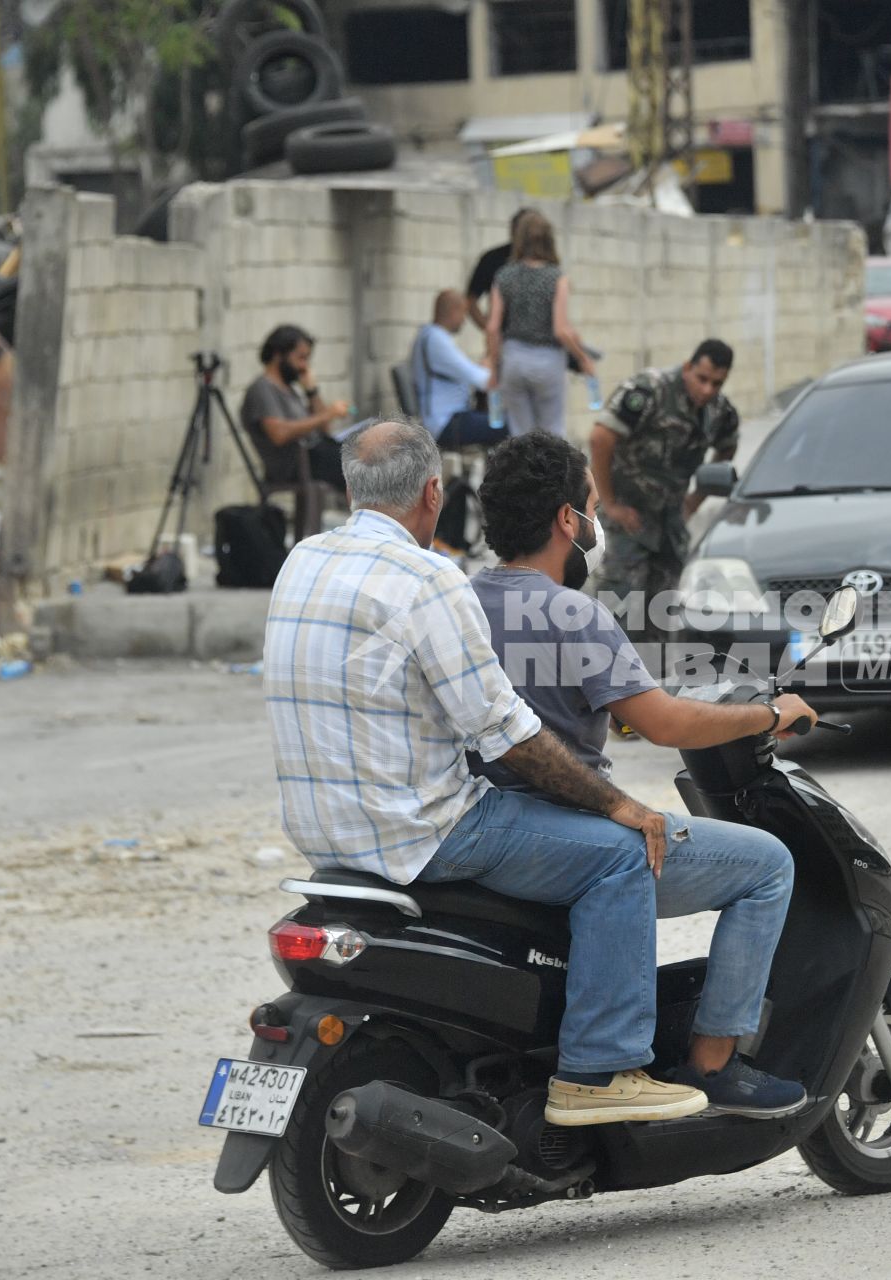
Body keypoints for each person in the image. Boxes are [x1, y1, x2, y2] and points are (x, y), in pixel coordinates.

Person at [266, 419, 785, 1126]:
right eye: (593, 505)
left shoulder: (303, 562)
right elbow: (510, 731)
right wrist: (623, 803)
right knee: (633, 855)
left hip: (324, 838)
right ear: (432, 492)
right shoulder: (431, 581)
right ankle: (609, 1071)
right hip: (425, 830)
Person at [469, 432, 816, 1116]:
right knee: (769, 865)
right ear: (568, 520)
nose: (596, 521)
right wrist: (768, 714)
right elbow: (666, 724)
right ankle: (715, 1066)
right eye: (591, 505)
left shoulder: (462, 600)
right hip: (564, 822)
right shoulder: (573, 612)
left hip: (492, 823)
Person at [591, 339, 740, 642]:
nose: (708, 390)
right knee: (618, 609)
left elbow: (728, 447)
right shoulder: (649, 391)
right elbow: (600, 438)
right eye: (702, 379)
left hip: (670, 522)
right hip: (627, 515)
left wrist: (694, 501)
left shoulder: (719, 411)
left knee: (662, 612)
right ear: (688, 367)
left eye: (717, 383)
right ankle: (607, 682)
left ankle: (652, 684)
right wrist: (609, 504)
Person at [485, 210, 595, 437]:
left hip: (514, 360)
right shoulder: (557, 278)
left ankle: (522, 473)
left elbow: (492, 327)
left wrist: (494, 366)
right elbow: (561, 330)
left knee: (520, 436)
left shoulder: (504, 275)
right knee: (552, 434)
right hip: (548, 361)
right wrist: (583, 358)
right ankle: (552, 473)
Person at [240, 324, 352, 488]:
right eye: (301, 358)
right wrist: (328, 414)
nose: (304, 366)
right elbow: (279, 433)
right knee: (361, 466)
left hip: (316, 455)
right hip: (296, 464)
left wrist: (312, 392)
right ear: (279, 355)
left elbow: (325, 430)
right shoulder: (262, 388)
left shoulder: (290, 388)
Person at [410, 290, 507, 449]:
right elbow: (483, 381)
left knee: (498, 420)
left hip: (451, 417)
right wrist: (490, 365)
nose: (464, 321)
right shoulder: (436, 339)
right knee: (509, 425)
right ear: (453, 310)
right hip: (446, 423)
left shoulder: (430, 335)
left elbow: (467, 371)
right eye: (463, 313)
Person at [464, 206, 536, 341]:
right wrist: (489, 329)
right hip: (505, 339)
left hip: (539, 343)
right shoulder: (494, 260)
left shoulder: (545, 264)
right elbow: (470, 300)